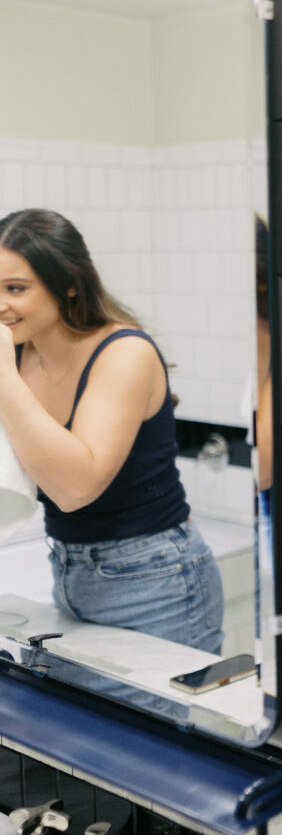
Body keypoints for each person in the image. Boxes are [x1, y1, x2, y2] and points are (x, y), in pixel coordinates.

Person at [0, 208, 223, 654]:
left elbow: (75, 488)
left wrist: (3, 375)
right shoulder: (21, 355)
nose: (0, 302)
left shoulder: (124, 354)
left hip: (154, 577)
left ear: (67, 283)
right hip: (69, 569)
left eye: (15, 288)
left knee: (147, 725)